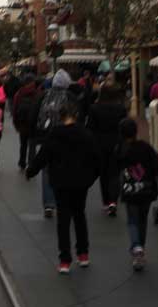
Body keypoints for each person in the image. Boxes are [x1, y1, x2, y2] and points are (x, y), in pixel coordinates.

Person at [26, 100, 99, 274]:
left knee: (63, 221)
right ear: (75, 116)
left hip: (60, 182)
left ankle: (65, 260)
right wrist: (90, 178)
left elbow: (43, 155)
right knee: (80, 216)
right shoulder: (86, 134)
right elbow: (97, 159)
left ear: (61, 117)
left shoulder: (54, 134)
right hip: (81, 182)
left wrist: (31, 171)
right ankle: (83, 254)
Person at [31, 69, 79, 218]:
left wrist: (35, 136)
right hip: (67, 139)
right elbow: (79, 116)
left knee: (47, 172)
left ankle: (49, 204)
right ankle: (66, 201)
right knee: (68, 169)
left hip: (46, 139)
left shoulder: (43, 95)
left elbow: (33, 116)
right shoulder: (71, 97)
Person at [117, 117, 158, 271]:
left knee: (132, 221)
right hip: (147, 190)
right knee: (142, 220)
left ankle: (136, 247)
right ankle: (140, 247)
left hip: (130, 191)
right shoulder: (146, 148)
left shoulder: (121, 150)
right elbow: (157, 166)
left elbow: (114, 169)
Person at [86, 81, 128, 217]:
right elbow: (125, 126)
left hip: (100, 144)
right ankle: (113, 201)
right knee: (115, 173)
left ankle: (106, 201)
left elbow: (90, 128)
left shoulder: (94, 108)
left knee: (104, 173)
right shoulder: (121, 109)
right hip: (116, 143)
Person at [11, 74, 40, 171]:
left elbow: (14, 110)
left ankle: (22, 162)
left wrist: (15, 123)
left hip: (22, 124)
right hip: (33, 123)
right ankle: (31, 164)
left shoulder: (18, 94)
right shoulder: (37, 93)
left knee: (23, 144)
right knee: (32, 145)